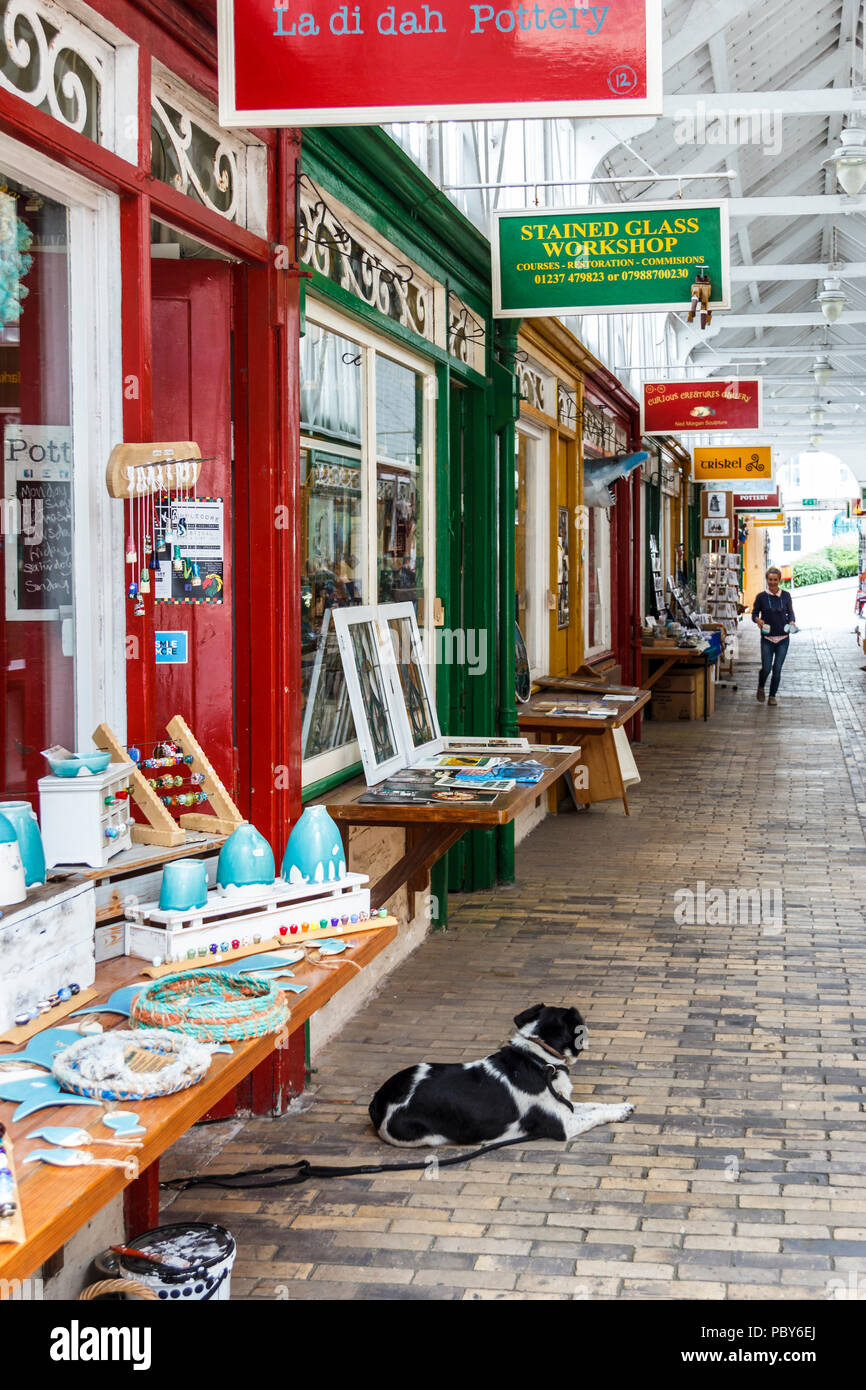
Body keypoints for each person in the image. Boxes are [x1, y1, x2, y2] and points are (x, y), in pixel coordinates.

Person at [752, 567, 796, 706]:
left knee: (777, 668)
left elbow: (791, 613)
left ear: (779, 580)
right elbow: (754, 614)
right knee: (766, 667)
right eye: (770, 580)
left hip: (783, 638)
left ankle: (772, 696)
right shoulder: (761, 597)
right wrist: (758, 620)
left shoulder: (786, 596)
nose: (772, 582)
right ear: (767, 579)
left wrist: (792, 622)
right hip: (767, 638)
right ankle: (761, 686)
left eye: (775, 580)